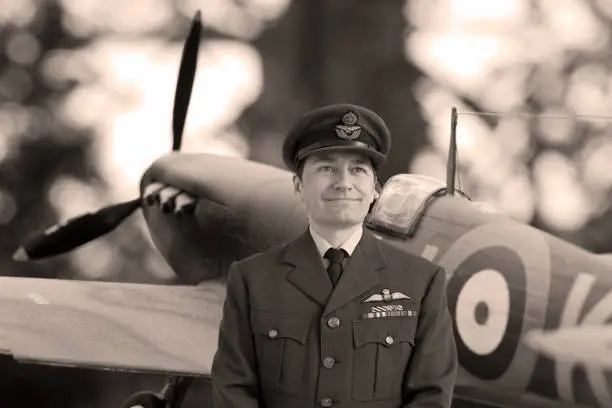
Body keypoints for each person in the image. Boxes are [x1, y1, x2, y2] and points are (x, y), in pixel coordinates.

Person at [211, 103, 458, 408]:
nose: (344, 182)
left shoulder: (422, 282)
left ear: (374, 190)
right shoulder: (251, 280)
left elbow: (431, 395)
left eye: (358, 169)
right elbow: (233, 388)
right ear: (299, 185)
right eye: (326, 168)